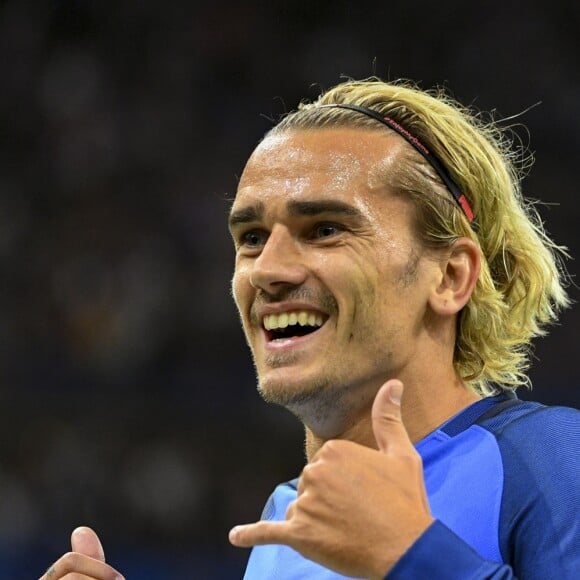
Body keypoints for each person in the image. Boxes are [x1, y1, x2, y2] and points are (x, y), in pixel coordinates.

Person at [40, 78, 579, 579]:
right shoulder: (285, 518)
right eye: (250, 237)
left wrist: (412, 556)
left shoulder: (553, 456)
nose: (268, 270)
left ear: (450, 277)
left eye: (324, 229)